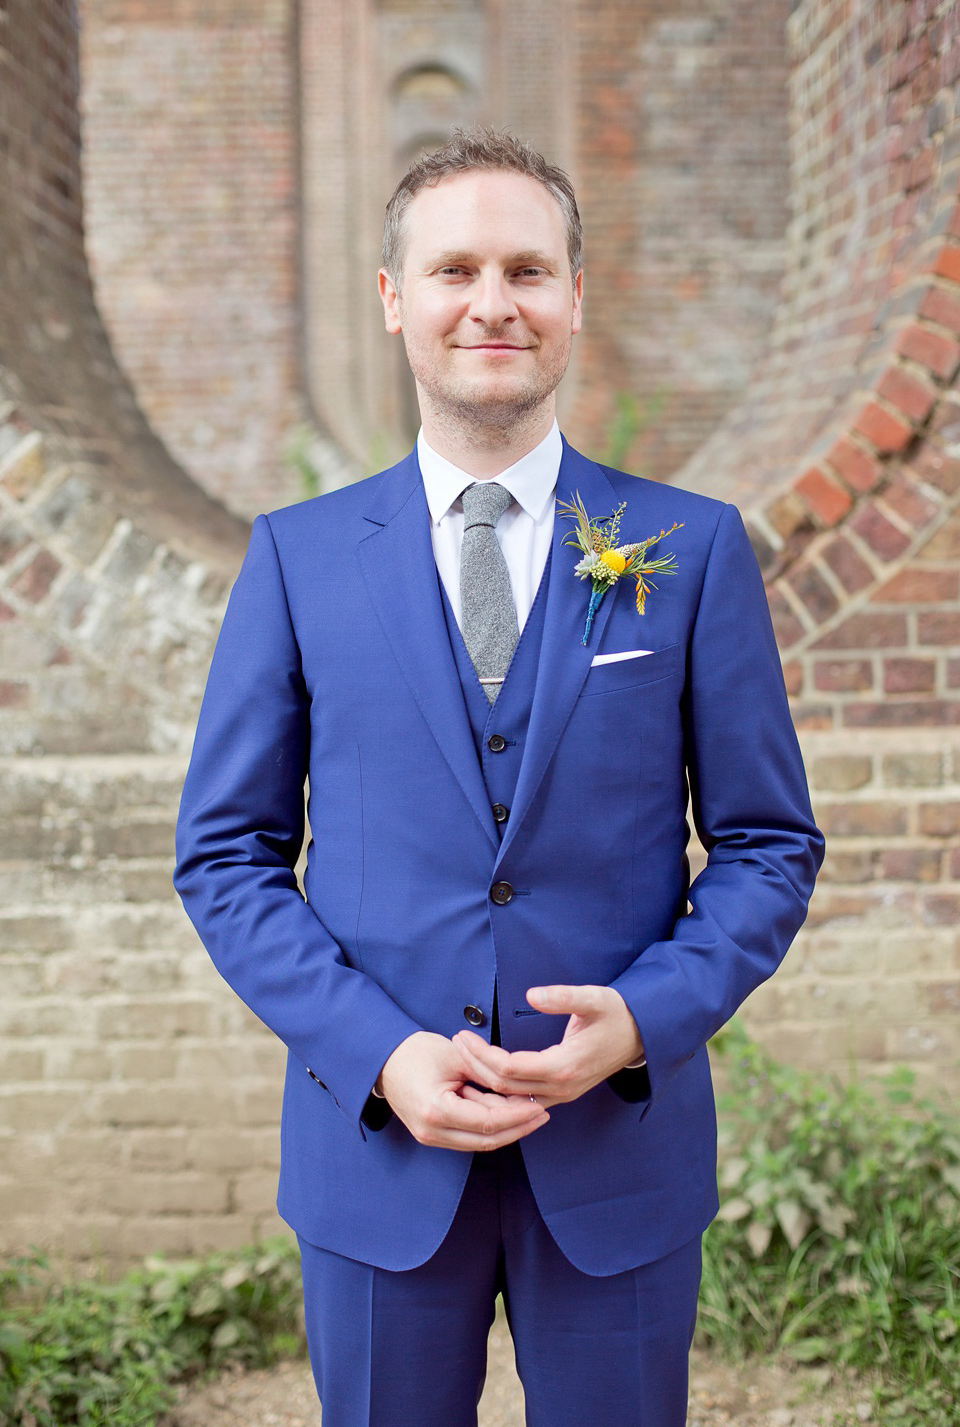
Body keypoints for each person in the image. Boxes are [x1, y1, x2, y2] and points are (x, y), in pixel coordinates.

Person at [174, 126, 825, 1427]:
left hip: (619, 1158)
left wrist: (645, 1017)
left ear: (575, 298)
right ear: (393, 299)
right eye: (455, 268)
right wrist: (379, 1053)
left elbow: (768, 844)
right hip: (375, 1154)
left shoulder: (688, 552)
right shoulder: (297, 560)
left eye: (527, 270)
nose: (492, 303)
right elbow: (227, 857)